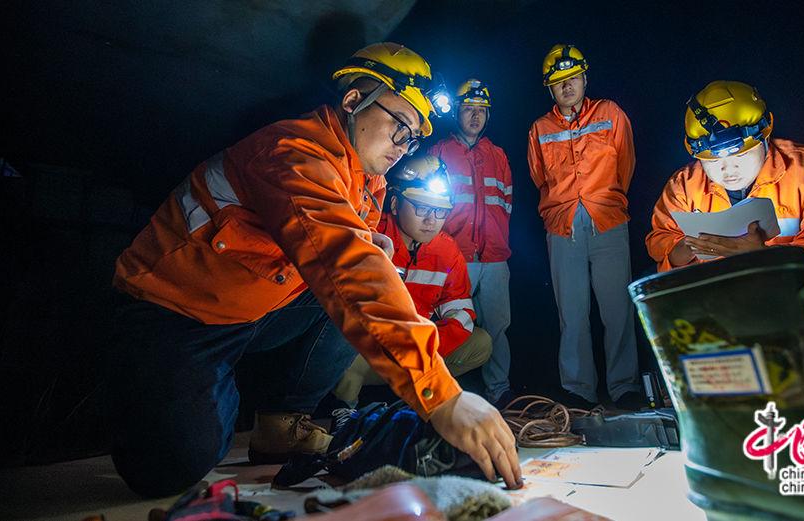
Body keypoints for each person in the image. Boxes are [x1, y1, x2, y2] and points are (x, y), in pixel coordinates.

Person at [107, 42, 521, 498]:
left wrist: (371, 246)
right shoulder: (293, 152)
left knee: (359, 285)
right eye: (400, 125)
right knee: (171, 466)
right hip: (175, 313)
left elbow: (350, 257)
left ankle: (283, 424)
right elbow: (349, 270)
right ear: (353, 101)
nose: (404, 147)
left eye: (413, 138)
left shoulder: (366, 178)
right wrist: (442, 397)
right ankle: (200, 395)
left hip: (255, 309)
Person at [646, 80, 804, 272]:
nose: (728, 168)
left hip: (798, 297)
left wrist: (764, 257)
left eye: (741, 154)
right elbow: (661, 241)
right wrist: (684, 250)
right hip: (720, 300)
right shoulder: (683, 188)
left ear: (765, 136)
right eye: (713, 161)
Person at [526, 44, 642, 410]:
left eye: (573, 78)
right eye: (559, 82)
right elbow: (539, 177)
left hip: (607, 219)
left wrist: (605, 200)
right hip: (563, 227)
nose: (567, 86)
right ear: (550, 89)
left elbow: (626, 163)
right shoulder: (539, 129)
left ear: (585, 78)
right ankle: (578, 390)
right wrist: (562, 208)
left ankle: (624, 387)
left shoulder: (610, 113)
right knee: (572, 314)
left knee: (617, 309)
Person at [334, 155, 493, 406]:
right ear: (395, 204)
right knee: (341, 347)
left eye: (440, 211)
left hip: (414, 348)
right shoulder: (373, 234)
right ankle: (343, 411)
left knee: (481, 343)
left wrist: (425, 348)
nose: (431, 220)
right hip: (371, 348)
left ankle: (419, 399)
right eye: (422, 208)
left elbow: (461, 312)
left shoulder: (447, 252)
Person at [429, 79, 515, 408]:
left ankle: (499, 391)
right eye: (468, 109)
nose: (475, 116)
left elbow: (506, 203)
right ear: (457, 113)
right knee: (450, 325)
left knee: (498, 327)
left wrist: (496, 239)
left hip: (493, 257)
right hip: (455, 256)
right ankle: (447, 394)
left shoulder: (498, 155)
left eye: (481, 110)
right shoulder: (439, 152)